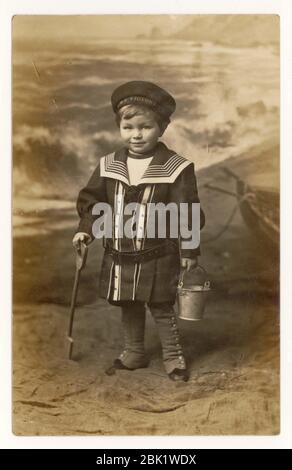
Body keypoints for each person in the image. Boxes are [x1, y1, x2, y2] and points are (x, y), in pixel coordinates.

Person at [73, 80, 205, 382]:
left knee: (160, 305)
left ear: (161, 128)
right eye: (128, 127)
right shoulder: (108, 165)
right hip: (120, 253)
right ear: (119, 127)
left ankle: (173, 356)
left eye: (145, 127)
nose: (136, 135)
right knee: (128, 302)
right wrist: (85, 231)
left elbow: (188, 211)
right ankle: (134, 351)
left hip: (158, 254)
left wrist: (189, 251)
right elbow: (93, 202)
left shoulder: (176, 168)